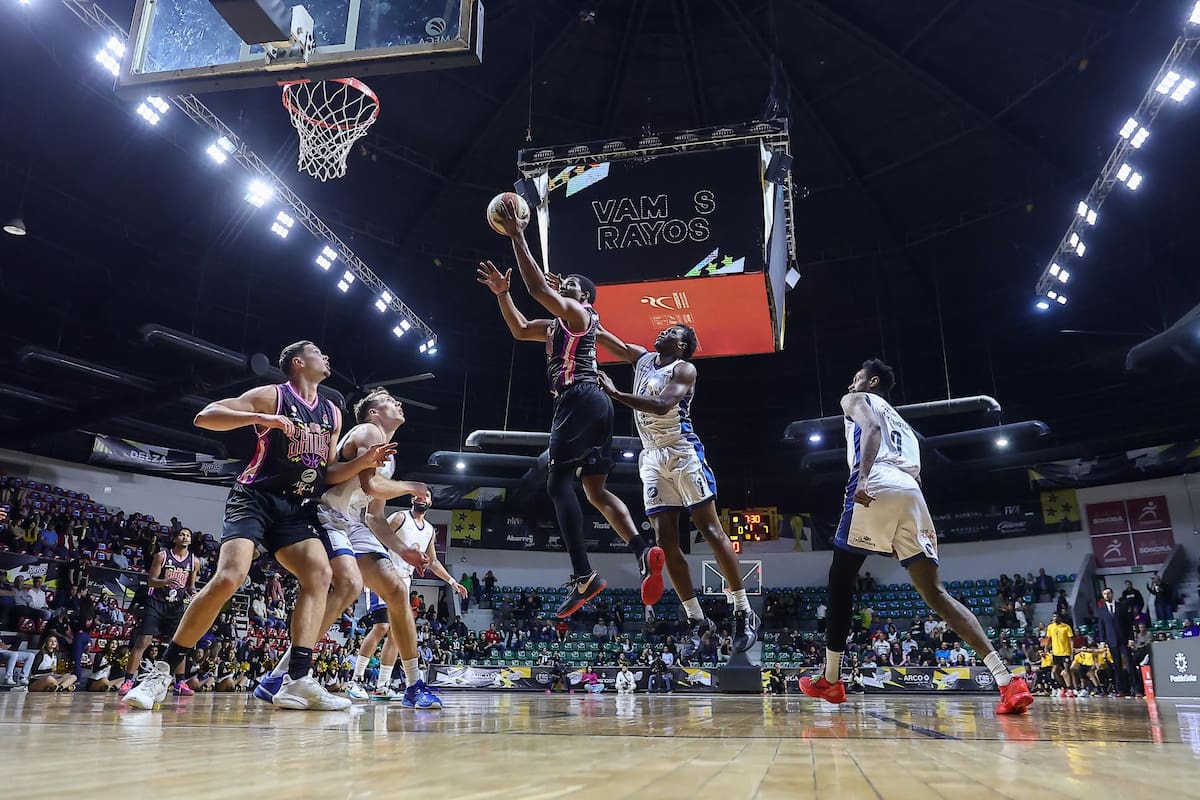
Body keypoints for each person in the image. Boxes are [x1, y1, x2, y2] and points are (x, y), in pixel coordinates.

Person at [123, 341, 394, 711]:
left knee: (319, 575)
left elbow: (329, 473)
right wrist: (260, 419)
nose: (327, 356)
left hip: (295, 506)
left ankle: (297, 680)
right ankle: (161, 673)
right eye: (318, 351)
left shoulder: (332, 412)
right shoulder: (273, 396)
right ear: (298, 362)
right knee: (230, 576)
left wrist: (364, 463)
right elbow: (205, 416)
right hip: (254, 497)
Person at [798, 359, 1032, 715]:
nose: (850, 385)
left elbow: (871, 429)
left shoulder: (858, 401)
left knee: (840, 580)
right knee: (936, 594)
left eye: (856, 378)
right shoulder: (905, 426)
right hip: (911, 494)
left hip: (875, 479)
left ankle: (831, 679)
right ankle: (1007, 681)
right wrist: (897, 531)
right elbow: (914, 474)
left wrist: (861, 479)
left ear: (871, 382)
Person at [477, 204, 664, 617]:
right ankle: (641, 548)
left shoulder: (579, 315)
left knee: (557, 482)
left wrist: (516, 236)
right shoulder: (562, 324)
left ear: (585, 297)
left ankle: (583, 575)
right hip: (597, 404)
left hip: (577, 397)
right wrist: (502, 294)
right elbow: (520, 328)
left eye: (572, 284)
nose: (564, 284)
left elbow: (541, 293)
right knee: (595, 491)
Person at [255, 387, 428, 704]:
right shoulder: (367, 430)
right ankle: (285, 675)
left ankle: (414, 685)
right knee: (348, 585)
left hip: (354, 523)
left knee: (396, 590)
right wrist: (410, 487)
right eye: (390, 400)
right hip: (327, 515)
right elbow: (370, 484)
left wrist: (403, 551)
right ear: (373, 412)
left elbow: (374, 517)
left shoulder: (389, 455)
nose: (399, 402)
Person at [596, 324, 760, 655]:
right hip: (652, 456)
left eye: (672, 331)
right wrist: (571, 303)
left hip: (681, 449)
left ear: (682, 345)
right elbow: (598, 333)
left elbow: (661, 405)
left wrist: (615, 394)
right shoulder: (641, 358)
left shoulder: (684, 368)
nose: (662, 331)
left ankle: (743, 610)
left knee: (711, 530)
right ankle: (697, 621)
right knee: (665, 542)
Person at [118, 527, 198, 697]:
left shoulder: (194, 561)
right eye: (182, 534)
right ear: (175, 538)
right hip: (156, 603)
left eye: (188, 535)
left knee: (180, 645)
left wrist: (194, 592)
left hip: (176, 606)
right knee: (143, 641)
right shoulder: (162, 556)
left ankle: (180, 683)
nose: (185, 537)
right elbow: (151, 581)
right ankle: (128, 681)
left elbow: (190, 585)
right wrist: (165, 582)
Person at [1096, 587, 1133, 696]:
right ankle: (1120, 690)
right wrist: (1102, 640)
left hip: (1124, 640)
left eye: (1108, 593)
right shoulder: (1101, 610)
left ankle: (1137, 689)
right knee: (1117, 666)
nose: (1107, 595)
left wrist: (1131, 638)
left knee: (1129, 664)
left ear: (1112, 594)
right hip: (1112, 641)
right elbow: (1101, 626)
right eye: (1104, 594)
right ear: (1103, 596)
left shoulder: (1122, 606)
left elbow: (1128, 624)